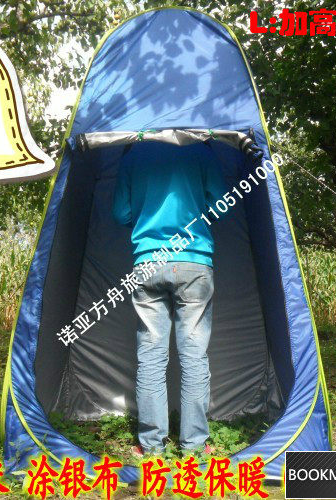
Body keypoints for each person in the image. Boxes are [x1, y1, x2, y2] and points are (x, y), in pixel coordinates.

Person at [112, 140, 226, 456]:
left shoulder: (133, 154)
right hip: (194, 261)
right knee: (194, 356)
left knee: (150, 356)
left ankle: (151, 446)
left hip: (148, 261)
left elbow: (120, 212)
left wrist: (147, 221)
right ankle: (194, 446)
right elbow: (223, 203)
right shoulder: (201, 149)